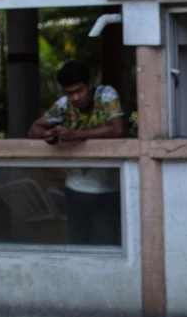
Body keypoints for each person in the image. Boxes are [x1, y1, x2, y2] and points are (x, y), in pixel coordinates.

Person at [27, 60, 127, 245]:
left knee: (104, 243)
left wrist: (77, 135)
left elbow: (118, 129)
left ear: (89, 85)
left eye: (79, 90)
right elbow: (34, 129)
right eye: (70, 93)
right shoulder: (64, 105)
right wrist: (49, 134)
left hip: (108, 189)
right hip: (76, 189)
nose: (75, 97)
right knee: (77, 244)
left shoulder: (105, 95)